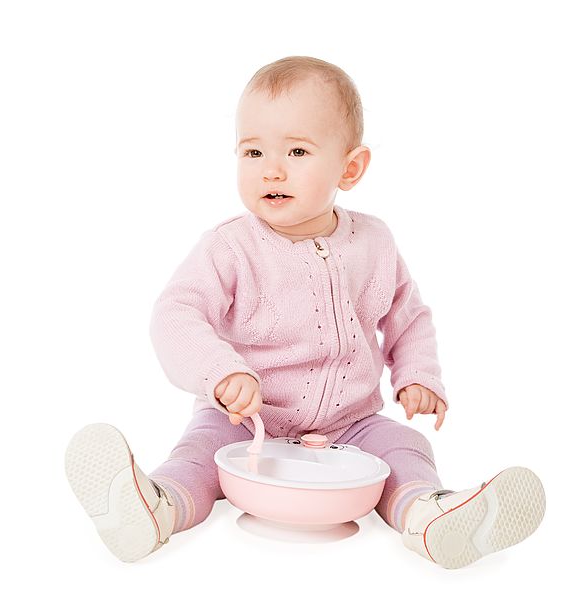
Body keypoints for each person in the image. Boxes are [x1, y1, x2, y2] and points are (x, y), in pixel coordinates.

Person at [65, 56, 545, 568]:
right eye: (253, 151)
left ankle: (428, 515)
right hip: (244, 420)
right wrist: (220, 372)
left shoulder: (374, 242)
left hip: (350, 424)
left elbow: (408, 314)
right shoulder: (230, 248)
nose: (271, 168)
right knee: (199, 457)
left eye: (297, 150)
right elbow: (175, 314)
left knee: (405, 448)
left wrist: (417, 374)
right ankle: (155, 508)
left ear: (350, 167)